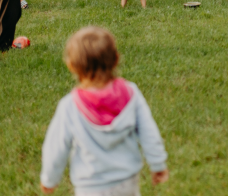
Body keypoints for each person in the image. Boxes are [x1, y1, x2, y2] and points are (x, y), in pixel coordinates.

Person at [40, 27, 168, 195]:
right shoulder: (131, 94)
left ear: (71, 66)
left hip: (90, 186)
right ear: (116, 59)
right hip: (126, 182)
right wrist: (158, 164)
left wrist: (50, 179)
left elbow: (56, 147)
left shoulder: (70, 106)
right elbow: (149, 132)